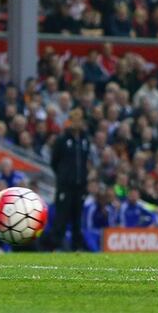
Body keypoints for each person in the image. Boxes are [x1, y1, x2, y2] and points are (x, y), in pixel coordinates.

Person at [50, 107, 92, 250]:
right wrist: (64, 177)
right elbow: (54, 162)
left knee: (77, 219)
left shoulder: (85, 140)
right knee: (61, 217)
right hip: (65, 186)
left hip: (80, 186)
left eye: (79, 119)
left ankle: (76, 248)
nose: (77, 122)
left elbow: (86, 161)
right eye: (74, 119)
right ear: (70, 121)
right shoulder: (62, 140)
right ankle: (54, 246)